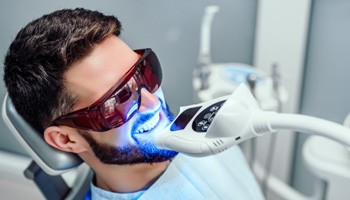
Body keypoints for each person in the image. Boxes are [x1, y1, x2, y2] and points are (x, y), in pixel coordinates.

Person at [3, 8, 264, 199]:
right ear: (66, 140)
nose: (152, 102)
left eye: (144, 73)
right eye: (118, 100)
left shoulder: (209, 129)